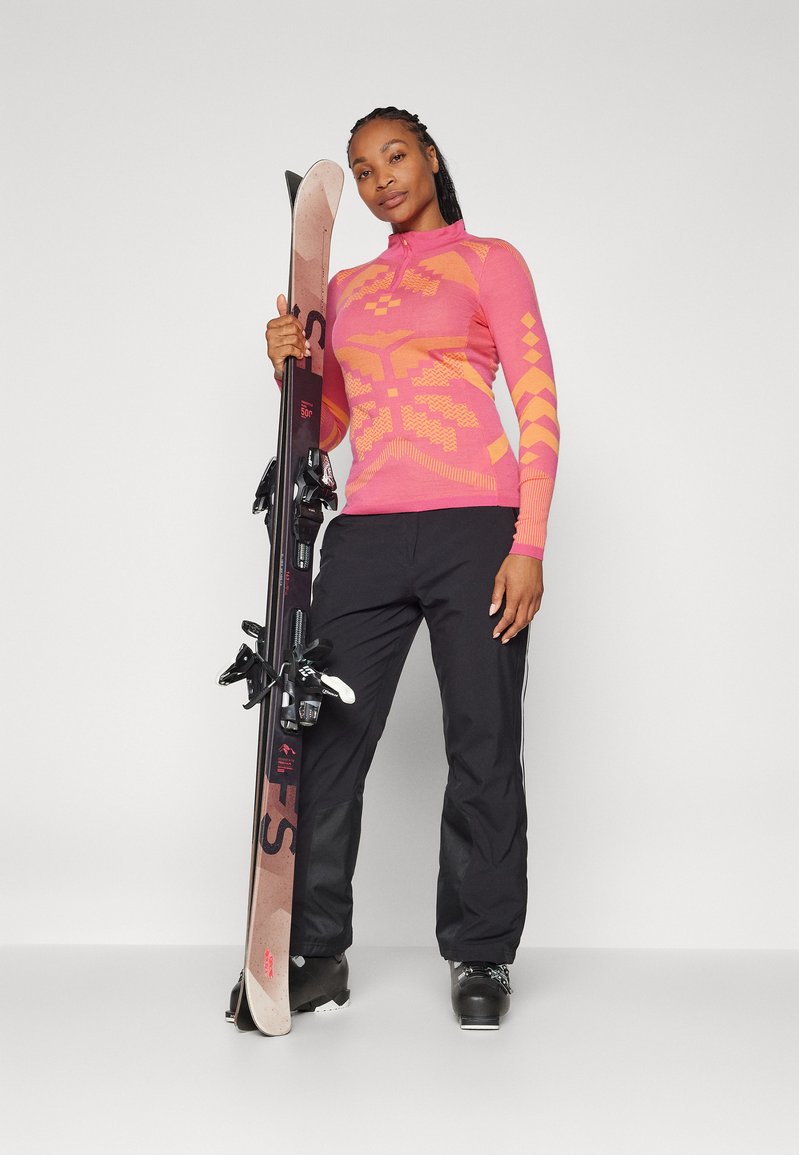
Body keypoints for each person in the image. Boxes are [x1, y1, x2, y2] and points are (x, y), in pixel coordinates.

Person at [264, 106, 560, 1029]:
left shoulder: (490, 262)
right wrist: (289, 369)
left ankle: (482, 951)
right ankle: (317, 950)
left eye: (395, 155)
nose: (380, 177)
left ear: (430, 157)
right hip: (370, 533)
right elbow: (329, 428)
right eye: (362, 169)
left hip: (478, 525)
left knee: (483, 739)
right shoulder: (345, 287)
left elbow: (538, 403)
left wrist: (528, 543)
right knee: (323, 738)